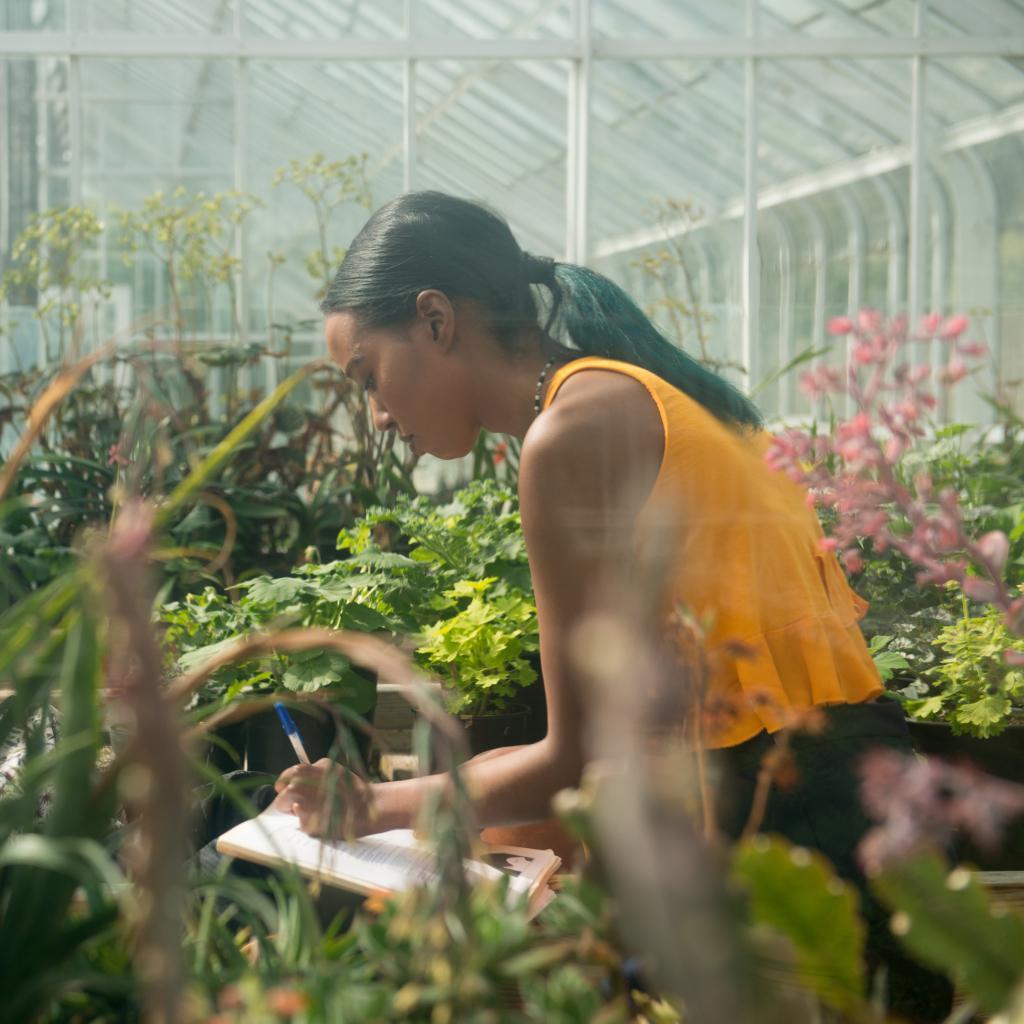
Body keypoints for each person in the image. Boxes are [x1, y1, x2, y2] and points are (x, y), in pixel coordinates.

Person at [275, 190, 951, 1020]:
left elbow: (576, 759)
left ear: (436, 320)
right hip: (845, 805)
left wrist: (376, 805)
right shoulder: (612, 396)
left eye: (368, 377)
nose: (377, 416)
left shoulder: (571, 435)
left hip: (805, 838)